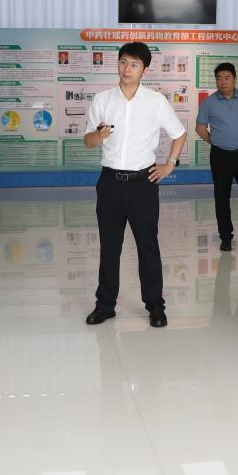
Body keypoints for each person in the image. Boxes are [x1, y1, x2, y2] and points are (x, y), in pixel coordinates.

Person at [82, 42, 187, 328]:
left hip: (143, 184)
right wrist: (99, 136)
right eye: (123, 62)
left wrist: (170, 165)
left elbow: (179, 134)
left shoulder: (156, 101)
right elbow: (88, 141)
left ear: (145, 69)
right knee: (109, 247)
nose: (127, 69)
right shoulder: (102, 100)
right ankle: (105, 305)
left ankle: (155, 306)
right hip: (110, 183)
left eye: (134, 64)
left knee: (147, 246)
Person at [195, 62, 238, 252]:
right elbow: (200, 128)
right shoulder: (209, 102)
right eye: (219, 78)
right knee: (221, 198)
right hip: (220, 156)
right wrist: (216, 141)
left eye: (227, 78)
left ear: (234, 79)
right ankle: (226, 237)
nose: (223, 82)